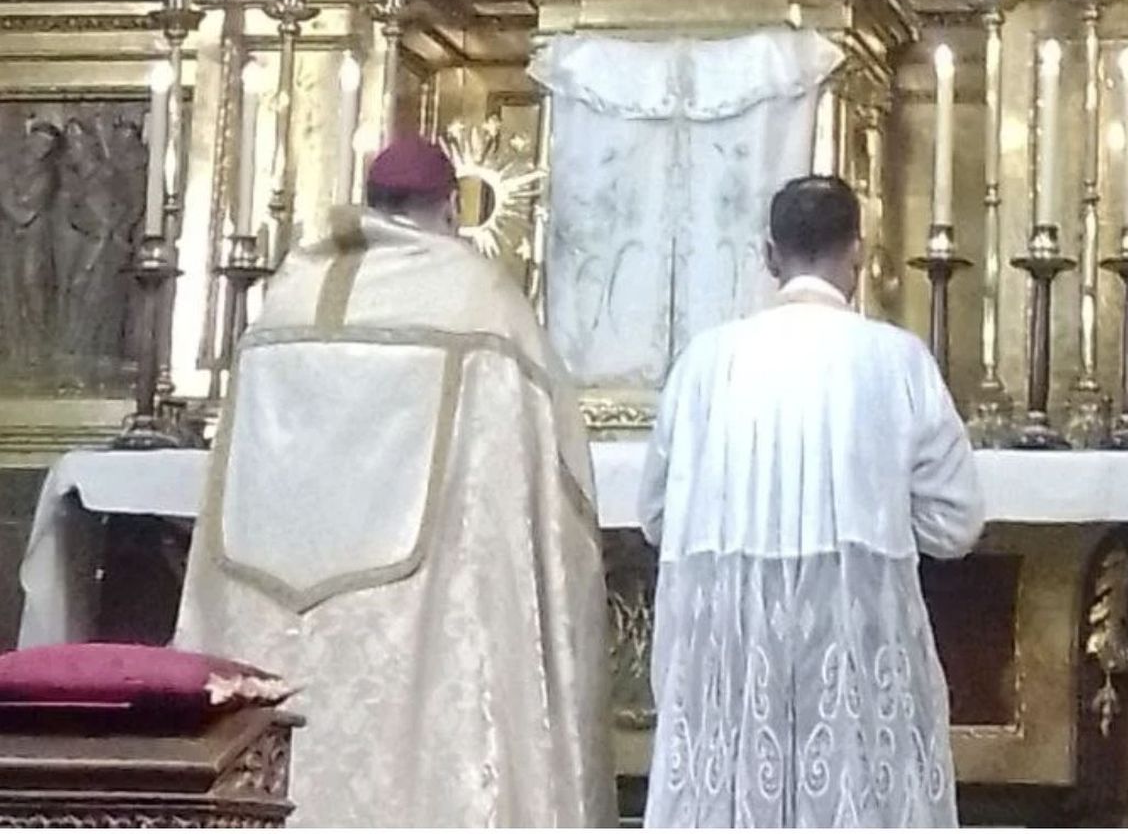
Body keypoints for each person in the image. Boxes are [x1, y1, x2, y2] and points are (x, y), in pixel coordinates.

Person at [174, 136, 617, 827]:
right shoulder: (479, 302)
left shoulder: (284, 300)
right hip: (424, 614)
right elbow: (545, 472)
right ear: (448, 207)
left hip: (272, 609)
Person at [639, 175, 984, 827]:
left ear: (769, 255)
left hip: (732, 647)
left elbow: (657, 517)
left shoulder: (704, 362)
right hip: (851, 642)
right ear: (859, 251)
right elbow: (957, 522)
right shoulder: (897, 359)